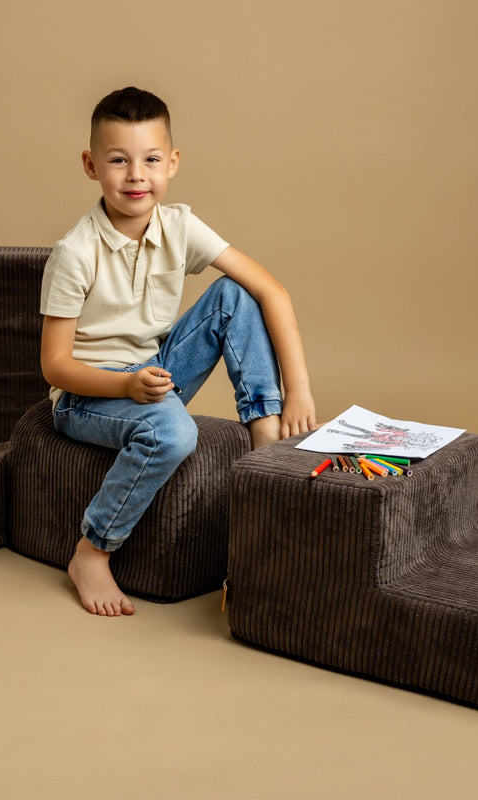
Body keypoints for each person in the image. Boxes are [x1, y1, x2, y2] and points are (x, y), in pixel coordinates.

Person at [40, 87, 317, 616]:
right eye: (118, 161)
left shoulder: (179, 226)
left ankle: (263, 447)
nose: (136, 175)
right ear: (90, 166)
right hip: (87, 394)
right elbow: (55, 366)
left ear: (172, 163)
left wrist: (296, 389)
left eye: (150, 160)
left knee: (234, 295)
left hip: (152, 372)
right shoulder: (75, 252)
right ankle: (92, 551)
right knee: (174, 432)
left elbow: (271, 291)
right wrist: (123, 385)